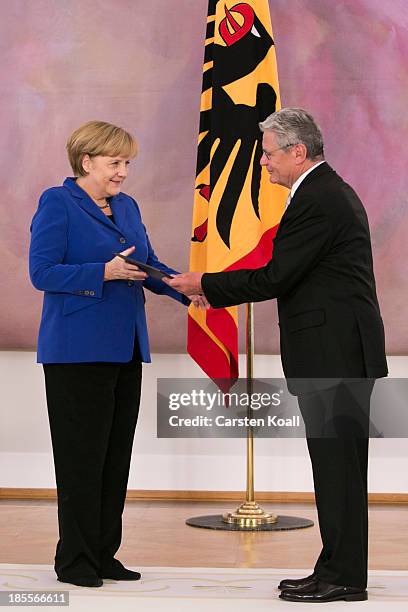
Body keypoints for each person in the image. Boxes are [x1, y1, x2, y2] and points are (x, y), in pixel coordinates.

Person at [167, 108, 388, 603]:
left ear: (297, 152)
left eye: (268, 154)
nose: (263, 163)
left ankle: (345, 577)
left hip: (335, 353)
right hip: (338, 351)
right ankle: (335, 566)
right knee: (337, 467)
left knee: (338, 468)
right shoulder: (320, 193)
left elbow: (275, 276)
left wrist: (206, 284)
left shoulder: (318, 199)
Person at [29, 120, 202, 588]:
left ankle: (105, 554)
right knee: (81, 458)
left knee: (113, 456)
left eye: (127, 163)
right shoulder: (58, 202)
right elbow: (42, 272)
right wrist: (102, 272)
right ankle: (76, 560)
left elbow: (143, 264)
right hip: (76, 351)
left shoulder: (127, 206)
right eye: (115, 162)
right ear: (86, 161)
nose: (124, 172)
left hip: (125, 347)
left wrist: (187, 289)